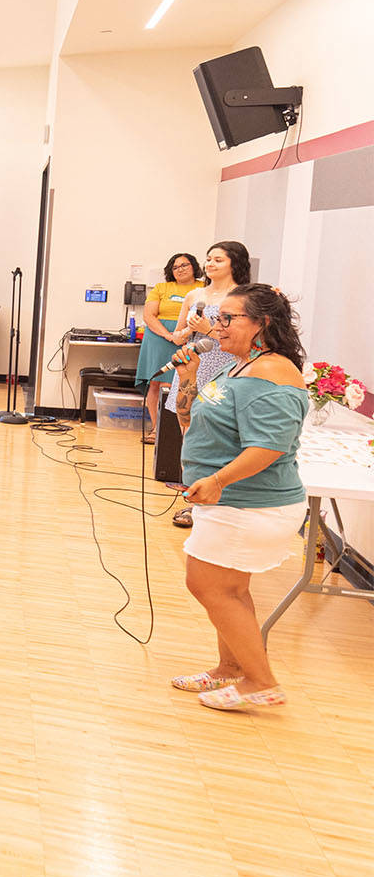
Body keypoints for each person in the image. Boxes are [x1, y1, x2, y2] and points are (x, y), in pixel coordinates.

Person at [168, 284, 309, 711]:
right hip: (230, 502)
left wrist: (219, 480)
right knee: (231, 590)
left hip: (251, 503)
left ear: (262, 324)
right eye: (218, 317)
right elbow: (194, 421)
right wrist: (189, 379)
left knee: (209, 585)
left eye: (229, 319)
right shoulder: (241, 366)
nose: (217, 326)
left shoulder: (273, 373)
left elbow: (270, 446)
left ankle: (261, 682)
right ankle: (229, 670)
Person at [172, 241, 253, 526]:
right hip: (192, 365)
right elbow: (178, 335)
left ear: (235, 264)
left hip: (223, 366)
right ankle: (191, 501)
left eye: (218, 259)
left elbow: (246, 341)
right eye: (208, 259)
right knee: (189, 435)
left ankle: (220, 495)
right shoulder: (195, 294)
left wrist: (209, 329)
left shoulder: (242, 297)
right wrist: (187, 330)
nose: (210, 264)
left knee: (219, 434)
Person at [135, 252, 205, 444]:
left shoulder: (203, 288)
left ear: (194, 267)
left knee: (177, 383)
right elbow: (149, 316)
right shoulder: (161, 287)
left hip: (190, 338)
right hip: (158, 337)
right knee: (156, 383)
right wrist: (169, 336)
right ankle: (157, 429)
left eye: (184, 265)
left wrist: (183, 335)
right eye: (175, 267)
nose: (180, 269)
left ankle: (176, 431)